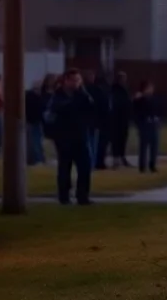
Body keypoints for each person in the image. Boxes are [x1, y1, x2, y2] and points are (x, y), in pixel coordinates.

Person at [45, 69, 96, 205]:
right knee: (64, 167)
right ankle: (64, 196)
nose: (76, 83)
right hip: (64, 137)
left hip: (80, 135)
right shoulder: (58, 95)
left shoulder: (82, 95)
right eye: (73, 80)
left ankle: (82, 196)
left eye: (78, 80)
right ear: (66, 80)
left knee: (85, 166)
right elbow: (53, 113)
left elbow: (91, 108)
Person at [132, 80, 162, 173]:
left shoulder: (153, 99)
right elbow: (136, 111)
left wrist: (157, 119)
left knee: (154, 145)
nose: (151, 90)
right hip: (144, 124)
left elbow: (157, 110)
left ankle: (152, 164)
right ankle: (142, 166)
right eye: (149, 88)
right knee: (144, 146)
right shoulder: (140, 99)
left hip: (153, 123)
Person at [88, 72, 112, 170]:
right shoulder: (103, 91)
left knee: (95, 143)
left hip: (96, 120)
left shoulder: (91, 90)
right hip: (102, 121)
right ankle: (98, 162)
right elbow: (105, 106)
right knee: (100, 143)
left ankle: (95, 162)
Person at [110, 71, 132, 167]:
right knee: (116, 139)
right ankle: (116, 159)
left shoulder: (125, 89)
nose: (124, 80)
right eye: (122, 78)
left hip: (124, 119)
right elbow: (116, 103)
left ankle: (122, 157)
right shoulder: (114, 90)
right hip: (116, 119)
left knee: (123, 139)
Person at [25, 79, 45, 165]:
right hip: (34, 121)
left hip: (33, 120)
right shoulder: (34, 97)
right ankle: (37, 158)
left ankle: (37, 158)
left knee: (35, 141)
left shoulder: (30, 96)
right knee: (35, 141)